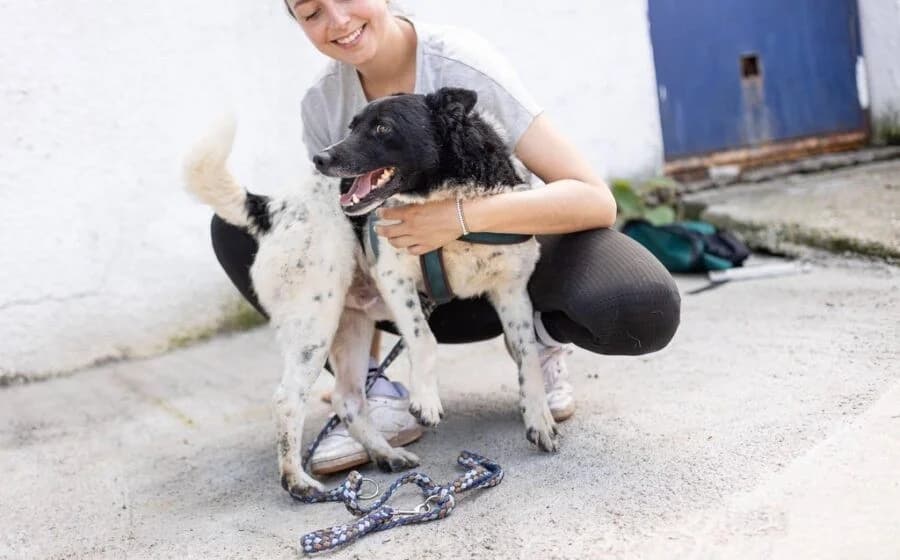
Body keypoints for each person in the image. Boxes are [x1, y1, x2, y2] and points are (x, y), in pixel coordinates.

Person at [211, 0, 680, 474]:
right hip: (408, 297)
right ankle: (371, 391)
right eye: (311, 13)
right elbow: (343, 242)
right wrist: (354, 368)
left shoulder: (460, 62)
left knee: (640, 305)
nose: (338, 21)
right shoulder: (323, 103)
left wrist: (457, 217)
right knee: (240, 227)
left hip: (503, 276)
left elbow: (594, 199)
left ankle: (540, 339)